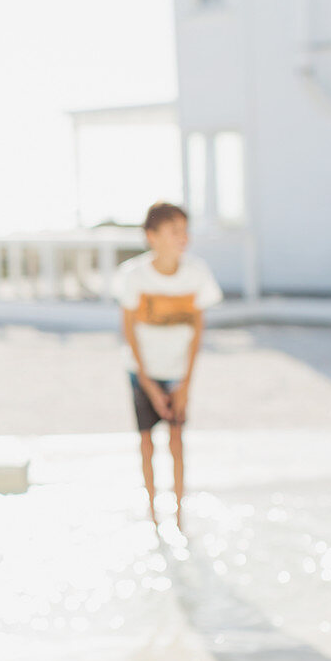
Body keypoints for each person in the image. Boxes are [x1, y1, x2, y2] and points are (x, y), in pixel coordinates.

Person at [118, 202, 222, 529]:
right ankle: (152, 516)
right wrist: (147, 382)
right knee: (146, 442)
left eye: (184, 230)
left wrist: (186, 384)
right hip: (141, 373)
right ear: (152, 236)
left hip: (178, 373)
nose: (183, 237)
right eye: (174, 230)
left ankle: (179, 517)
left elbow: (197, 330)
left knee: (177, 441)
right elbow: (129, 329)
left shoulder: (197, 273)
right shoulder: (133, 275)